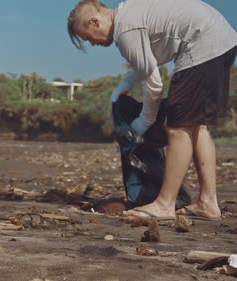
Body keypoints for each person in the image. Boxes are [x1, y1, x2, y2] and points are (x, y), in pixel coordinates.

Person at [67, 0, 237, 220]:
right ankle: (208, 202)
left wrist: (143, 123)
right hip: (221, 39)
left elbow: (154, 83)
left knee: (178, 129)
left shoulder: (125, 30)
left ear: (94, 21)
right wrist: (124, 86)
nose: (91, 43)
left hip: (202, 43)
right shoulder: (130, 16)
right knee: (197, 127)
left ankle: (165, 204)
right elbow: (148, 63)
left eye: (87, 37)